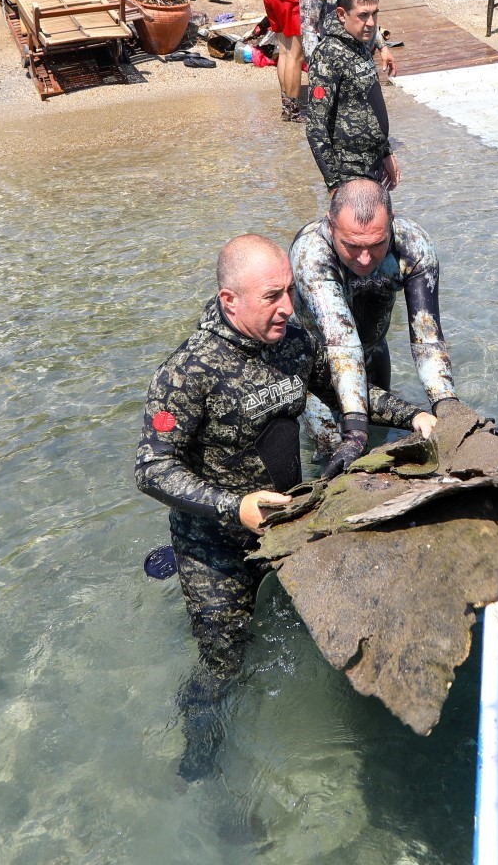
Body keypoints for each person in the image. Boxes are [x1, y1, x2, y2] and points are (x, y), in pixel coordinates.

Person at [137, 234, 435, 780]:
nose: (288, 307)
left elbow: (351, 393)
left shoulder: (291, 342)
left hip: (286, 522)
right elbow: (151, 469)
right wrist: (233, 505)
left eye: (291, 292)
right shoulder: (187, 373)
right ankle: (200, 764)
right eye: (272, 296)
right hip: (216, 545)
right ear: (230, 301)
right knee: (222, 667)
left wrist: (414, 415)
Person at [289, 179, 465, 452]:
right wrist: (355, 430)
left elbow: (427, 336)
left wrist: (446, 403)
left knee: (379, 442)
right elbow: (342, 344)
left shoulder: (413, 245)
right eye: (352, 246)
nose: (364, 259)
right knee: (334, 449)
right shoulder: (311, 253)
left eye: (376, 244)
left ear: (391, 222)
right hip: (318, 370)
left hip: (374, 350)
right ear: (331, 224)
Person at [303, 0, 398, 193]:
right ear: (341, 15)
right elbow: (315, 127)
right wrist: (334, 184)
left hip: (373, 165)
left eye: (375, 13)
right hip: (349, 173)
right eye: (363, 15)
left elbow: (370, 104)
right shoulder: (328, 55)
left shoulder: (360, 42)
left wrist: (386, 153)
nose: (372, 22)